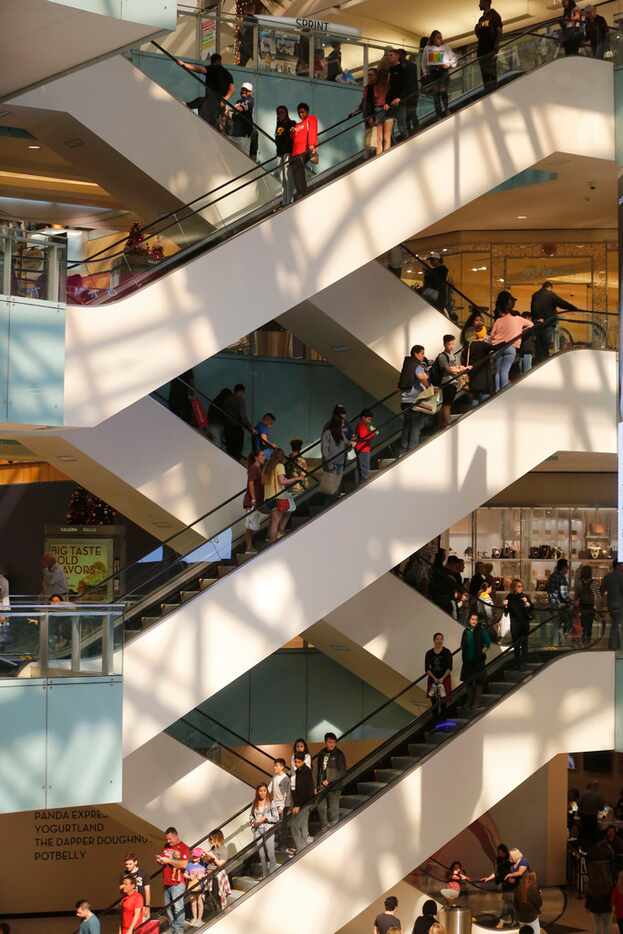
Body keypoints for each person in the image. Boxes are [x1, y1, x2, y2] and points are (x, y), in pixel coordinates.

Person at [182, 52, 234, 129]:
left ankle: (187, 105)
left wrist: (184, 65)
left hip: (210, 102)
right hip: (220, 104)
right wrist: (225, 99)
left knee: (206, 120)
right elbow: (232, 89)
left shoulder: (213, 68)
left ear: (213, 61)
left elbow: (199, 69)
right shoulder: (228, 74)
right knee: (214, 124)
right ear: (220, 60)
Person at [262, 448, 303, 543]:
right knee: (276, 521)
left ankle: (271, 537)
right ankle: (273, 541)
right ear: (281, 456)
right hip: (277, 497)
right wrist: (297, 478)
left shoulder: (267, 466)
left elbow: (263, 481)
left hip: (268, 498)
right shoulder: (279, 466)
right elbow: (283, 481)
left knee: (274, 520)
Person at [530, 281, 577, 363]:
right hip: (548, 323)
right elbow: (562, 303)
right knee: (547, 345)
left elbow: (533, 310)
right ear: (550, 287)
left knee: (539, 346)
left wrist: (536, 319)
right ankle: (546, 363)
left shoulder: (535, 295)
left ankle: (539, 363)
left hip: (537, 324)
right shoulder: (550, 295)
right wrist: (574, 308)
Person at [490, 305, 533, 392]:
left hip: (498, 347)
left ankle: (497, 391)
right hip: (511, 347)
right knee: (505, 370)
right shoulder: (518, 319)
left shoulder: (498, 321)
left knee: (498, 371)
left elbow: (492, 335)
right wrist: (522, 331)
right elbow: (531, 324)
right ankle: (504, 391)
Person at [156, 826, 190, 934]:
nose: (168, 841)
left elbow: (184, 864)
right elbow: (164, 859)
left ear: (176, 836)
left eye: (170, 839)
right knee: (168, 907)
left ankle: (179, 929)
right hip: (166, 881)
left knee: (178, 906)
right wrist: (160, 860)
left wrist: (168, 860)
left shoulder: (184, 847)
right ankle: (172, 927)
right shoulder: (166, 846)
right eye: (167, 839)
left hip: (177, 883)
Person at [399, 345, 432, 452]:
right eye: (422, 353)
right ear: (416, 354)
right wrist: (429, 387)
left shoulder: (407, 364)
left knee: (407, 426)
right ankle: (412, 449)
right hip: (413, 400)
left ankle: (403, 449)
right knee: (416, 426)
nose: (423, 356)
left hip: (405, 400)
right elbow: (422, 378)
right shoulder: (416, 365)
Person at [435, 334, 472, 428]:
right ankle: (447, 423)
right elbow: (449, 370)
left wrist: (463, 368)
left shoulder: (452, 355)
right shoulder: (442, 356)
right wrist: (460, 370)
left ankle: (442, 423)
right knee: (447, 404)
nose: (451, 346)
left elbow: (456, 367)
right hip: (447, 382)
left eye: (452, 344)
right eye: (449, 344)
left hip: (453, 382)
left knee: (447, 403)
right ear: (444, 344)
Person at [421, 31, 457, 118]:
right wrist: (425, 73)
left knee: (443, 92)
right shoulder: (427, 48)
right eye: (438, 37)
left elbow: (454, 58)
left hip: (443, 72)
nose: (440, 39)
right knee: (436, 94)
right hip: (433, 73)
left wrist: (449, 64)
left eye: (441, 37)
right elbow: (424, 62)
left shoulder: (445, 47)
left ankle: (446, 109)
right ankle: (438, 114)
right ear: (433, 38)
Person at [460, 610, 491, 710]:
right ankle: (469, 701)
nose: (474, 621)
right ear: (469, 620)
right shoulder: (466, 631)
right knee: (468, 682)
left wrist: (482, 651)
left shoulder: (481, 630)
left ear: (477, 621)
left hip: (478, 661)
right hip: (467, 661)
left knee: (479, 682)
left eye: (475, 620)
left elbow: (487, 643)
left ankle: (476, 702)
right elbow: (462, 645)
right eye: (472, 619)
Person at [316, 731, 347, 830]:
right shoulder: (322, 753)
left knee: (333, 809)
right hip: (322, 785)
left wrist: (329, 780)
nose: (331, 744)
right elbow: (318, 770)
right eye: (329, 742)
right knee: (321, 807)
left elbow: (342, 771)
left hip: (335, 786)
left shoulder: (339, 754)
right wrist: (317, 784)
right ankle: (324, 827)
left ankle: (334, 828)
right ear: (325, 742)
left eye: (333, 742)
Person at [587, 834, 615, 934]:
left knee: (597, 925)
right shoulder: (608, 850)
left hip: (594, 893)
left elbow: (588, 879)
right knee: (607, 924)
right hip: (606, 893)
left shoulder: (590, 853)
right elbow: (613, 871)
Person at [250, 782, 280, 877]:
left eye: (264, 790)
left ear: (267, 791)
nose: (262, 793)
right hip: (258, 831)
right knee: (261, 855)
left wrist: (266, 818)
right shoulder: (254, 803)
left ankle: (273, 874)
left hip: (268, 830)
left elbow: (276, 818)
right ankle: (265, 874)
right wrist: (253, 822)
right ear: (257, 792)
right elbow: (251, 816)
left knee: (270, 853)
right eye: (260, 791)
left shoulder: (271, 802)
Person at [290, 102, 318, 200]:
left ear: (307, 111)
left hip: (304, 150)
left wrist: (312, 145)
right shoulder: (297, 125)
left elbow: (312, 131)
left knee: (299, 169)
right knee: (295, 172)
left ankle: (303, 192)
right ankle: (299, 192)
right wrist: (292, 132)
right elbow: (293, 139)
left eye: (302, 112)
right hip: (294, 153)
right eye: (299, 113)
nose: (301, 114)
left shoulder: (310, 119)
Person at [481, 843, 514, 926]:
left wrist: (513, 878)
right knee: (508, 903)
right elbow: (497, 873)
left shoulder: (510, 860)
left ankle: (504, 920)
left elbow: (514, 872)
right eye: (498, 851)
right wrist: (488, 878)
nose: (499, 853)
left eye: (500, 851)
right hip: (505, 885)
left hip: (512, 886)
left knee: (509, 904)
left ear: (504, 852)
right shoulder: (499, 861)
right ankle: (509, 920)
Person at [289, 751, 315, 853]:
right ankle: (303, 848)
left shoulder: (306, 771)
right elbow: (298, 790)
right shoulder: (299, 771)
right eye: (295, 761)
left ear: (303, 761)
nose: (296, 763)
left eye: (299, 762)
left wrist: (298, 805)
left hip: (306, 803)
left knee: (294, 825)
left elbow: (306, 791)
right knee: (300, 825)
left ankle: (301, 848)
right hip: (303, 803)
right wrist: (296, 804)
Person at [475, 0, 503, 92]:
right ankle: (488, 91)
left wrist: (496, 45)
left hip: (489, 50)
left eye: (481, 2)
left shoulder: (494, 15)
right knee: (485, 75)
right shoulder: (481, 19)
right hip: (482, 51)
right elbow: (479, 34)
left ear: (486, 2)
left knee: (491, 73)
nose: (479, 4)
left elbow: (499, 30)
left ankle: (493, 91)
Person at [321, 408, 350, 496]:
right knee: (331, 486)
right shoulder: (327, 433)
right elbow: (324, 449)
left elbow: (347, 445)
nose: (343, 425)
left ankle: (336, 498)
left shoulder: (341, 434)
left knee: (337, 484)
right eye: (342, 423)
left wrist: (351, 444)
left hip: (340, 463)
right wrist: (329, 464)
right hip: (332, 463)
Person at [504, 579, 533, 668]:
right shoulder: (509, 597)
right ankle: (517, 663)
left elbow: (531, 609)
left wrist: (527, 603)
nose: (521, 588)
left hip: (524, 624)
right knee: (516, 645)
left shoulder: (525, 596)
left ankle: (524, 663)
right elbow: (506, 613)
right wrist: (505, 605)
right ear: (514, 587)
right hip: (515, 624)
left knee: (524, 644)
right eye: (519, 586)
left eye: (522, 586)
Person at [222, 383, 254, 462]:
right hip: (236, 428)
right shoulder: (240, 400)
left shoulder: (227, 399)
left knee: (229, 448)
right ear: (241, 391)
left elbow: (224, 411)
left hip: (227, 427)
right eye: (243, 393)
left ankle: (228, 462)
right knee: (237, 451)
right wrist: (251, 427)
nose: (243, 395)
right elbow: (243, 416)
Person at [203, 829, 231, 912]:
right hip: (209, 874)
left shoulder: (223, 849)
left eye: (211, 839)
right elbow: (208, 862)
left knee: (218, 894)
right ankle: (214, 910)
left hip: (217, 874)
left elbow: (220, 864)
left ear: (217, 838)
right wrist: (205, 857)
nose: (210, 841)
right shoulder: (212, 849)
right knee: (210, 894)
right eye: (209, 839)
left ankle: (220, 910)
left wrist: (212, 857)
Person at [243, 450, 265, 553]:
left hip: (256, 500)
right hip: (252, 500)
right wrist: (253, 498)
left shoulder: (258, 468)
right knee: (249, 524)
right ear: (256, 457)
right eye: (262, 455)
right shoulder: (254, 468)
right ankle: (248, 548)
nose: (264, 457)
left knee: (252, 524)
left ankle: (249, 547)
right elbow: (250, 483)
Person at [425, 632, 453, 713]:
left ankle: (443, 718)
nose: (439, 641)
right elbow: (427, 668)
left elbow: (449, 667)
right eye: (437, 639)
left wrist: (442, 678)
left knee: (444, 701)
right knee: (433, 701)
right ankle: (435, 718)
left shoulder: (447, 652)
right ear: (434, 640)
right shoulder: (429, 653)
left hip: (444, 678)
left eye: (441, 639)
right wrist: (434, 678)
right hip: (432, 679)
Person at [269, 757, 292, 849]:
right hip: (275, 804)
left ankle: (283, 844)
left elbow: (287, 794)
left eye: (276, 766)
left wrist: (282, 807)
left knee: (282, 825)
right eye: (274, 765)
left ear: (282, 767)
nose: (274, 767)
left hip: (283, 805)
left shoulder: (285, 778)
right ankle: (278, 844)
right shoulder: (274, 777)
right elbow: (269, 789)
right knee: (276, 825)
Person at [275, 105, 296, 204]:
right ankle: (284, 200)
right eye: (278, 113)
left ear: (286, 113)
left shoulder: (291, 123)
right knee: (282, 179)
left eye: (282, 112)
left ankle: (290, 200)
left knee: (288, 178)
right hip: (280, 154)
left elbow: (292, 138)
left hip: (288, 153)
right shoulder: (279, 125)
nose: (280, 114)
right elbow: (277, 139)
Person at [548, 558, 571, 645]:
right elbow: (564, 594)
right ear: (563, 567)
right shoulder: (562, 577)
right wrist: (571, 601)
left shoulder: (552, 576)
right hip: (561, 606)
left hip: (553, 604)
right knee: (568, 622)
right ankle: (562, 642)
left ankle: (555, 645)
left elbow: (550, 591)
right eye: (567, 567)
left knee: (556, 626)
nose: (568, 569)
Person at [397, 49, 419, 139]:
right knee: (410, 113)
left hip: (408, 94)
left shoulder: (402, 66)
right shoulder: (412, 65)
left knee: (409, 113)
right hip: (411, 93)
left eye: (398, 55)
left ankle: (413, 130)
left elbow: (407, 81)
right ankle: (414, 130)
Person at [601, 560, 623, 650]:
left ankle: (615, 645)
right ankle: (614, 647)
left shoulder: (607, 576)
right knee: (616, 625)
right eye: (622, 565)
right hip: (620, 604)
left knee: (615, 624)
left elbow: (601, 590)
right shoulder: (621, 576)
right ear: (618, 566)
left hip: (610, 604)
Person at [121, 853, 150, 921]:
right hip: (129, 905)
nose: (128, 866)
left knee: (143, 928)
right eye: (126, 864)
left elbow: (147, 891)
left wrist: (147, 906)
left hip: (141, 905)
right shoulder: (124, 874)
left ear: (136, 862)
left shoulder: (143, 873)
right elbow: (122, 889)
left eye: (130, 864)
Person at [229, 82, 255, 155]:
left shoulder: (250, 100)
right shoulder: (238, 101)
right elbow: (234, 116)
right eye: (242, 89)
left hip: (244, 134)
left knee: (243, 155)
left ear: (250, 92)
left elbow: (240, 109)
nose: (243, 91)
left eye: (246, 90)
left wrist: (229, 109)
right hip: (235, 132)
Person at [184, 847, 207, 926]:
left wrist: (203, 876)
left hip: (200, 886)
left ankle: (199, 918)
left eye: (196, 856)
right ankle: (194, 917)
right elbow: (185, 874)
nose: (194, 858)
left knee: (200, 902)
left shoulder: (203, 864)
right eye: (193, 856)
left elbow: (206, 873)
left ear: (200, 857)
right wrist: (189, 877)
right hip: (192, 886)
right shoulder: (189, 865)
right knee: (193, 902)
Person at [354, 408, 378, 484]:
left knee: (361, 467)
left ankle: (359, 483)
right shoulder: (362, 425)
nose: (370, 421)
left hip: (362, 449)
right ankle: (363, 484)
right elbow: (363, 436)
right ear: (363, 417)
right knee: (364, 468)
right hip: (363, 449)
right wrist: (374, 433)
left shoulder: (363, 424)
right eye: (369, 419)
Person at [576, 565, 596, 644]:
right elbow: (597, 596)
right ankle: (588, 642)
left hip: (581, 606)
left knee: (582, 625)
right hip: (590, 607)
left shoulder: (579, 582)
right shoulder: (594, 583)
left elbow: (576, 595)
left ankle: (582, 641)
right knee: (589, 625)